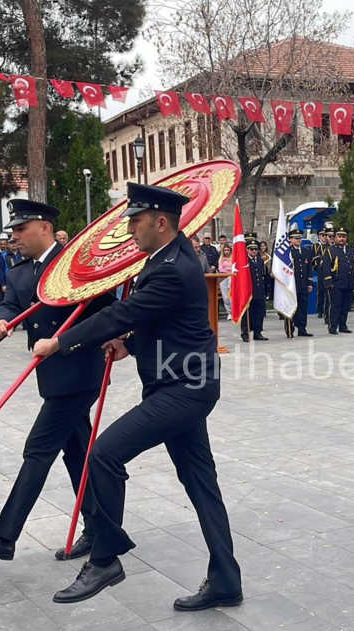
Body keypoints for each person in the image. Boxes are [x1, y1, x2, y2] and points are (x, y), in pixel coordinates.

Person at [33, 183, 241, 610]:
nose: (129, 229)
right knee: (201, 484)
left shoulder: (170, 267)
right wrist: (131, 342)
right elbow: (155, 319)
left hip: (182, 390)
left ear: (160, 222)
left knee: (104, 454)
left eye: (135, 220)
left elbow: (122, 312)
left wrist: (60, 341)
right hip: (184, 382)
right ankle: (226, 581)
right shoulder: (171, 255)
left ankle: (106, 559)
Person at [0, 200, 114, 565]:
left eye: (20, 230)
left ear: (44, 227)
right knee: (76, 453)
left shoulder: (74, 265)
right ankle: (99, 527)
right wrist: (1, 321)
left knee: (38, 450)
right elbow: (11, 304)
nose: (15, 238)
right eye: (13, 231)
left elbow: (104, 309)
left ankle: (3, 536)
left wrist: (84, 339)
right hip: (51, 374)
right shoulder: (20, 272)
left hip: (79, 370)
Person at [325, 228, 354, 335]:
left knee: (345, 306)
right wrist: (329, 282)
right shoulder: (330, 250)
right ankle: (332, 326)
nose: (342, 239)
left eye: (344, 237)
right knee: (335, 306)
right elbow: (326, 267)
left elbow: (353, 266)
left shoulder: (350, 250)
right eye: (339, 236)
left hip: (348, 282)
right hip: (336, 283)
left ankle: (343, 325)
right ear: (335, 237)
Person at [240, 241, 269, 342]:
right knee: (247, 313)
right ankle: (245, 333)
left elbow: (262, 275)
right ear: (247, 250)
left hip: (259, 290)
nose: (254, 251)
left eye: (256, 249)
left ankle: (258, 332)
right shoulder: (244, 261)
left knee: (259, 312)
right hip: (248, 290)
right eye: (251, 249)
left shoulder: (260, 260)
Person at [287, 230, 314, 337]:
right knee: (292, 307)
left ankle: (302, 328)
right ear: (291, 239)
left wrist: (310, 283)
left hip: (303, 284)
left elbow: (309, 269)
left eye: (299, 238)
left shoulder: (305, 250)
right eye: (296, 238)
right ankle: (290, 328)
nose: (298, 240)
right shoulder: (287, 252)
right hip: (292, 284)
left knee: (303, 307)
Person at [217, 244, 234, 315]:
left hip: (231, 277)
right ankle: (229, 312)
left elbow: (234, 268)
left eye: (228, 250)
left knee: (231, 295)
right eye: (225, 250)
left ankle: (233, 312)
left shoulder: (233, 258)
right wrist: (227, 270)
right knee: (225, 296)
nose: (226, 252)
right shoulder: (221, 259)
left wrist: (228, 270)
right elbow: (220, 268)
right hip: (223, 277)